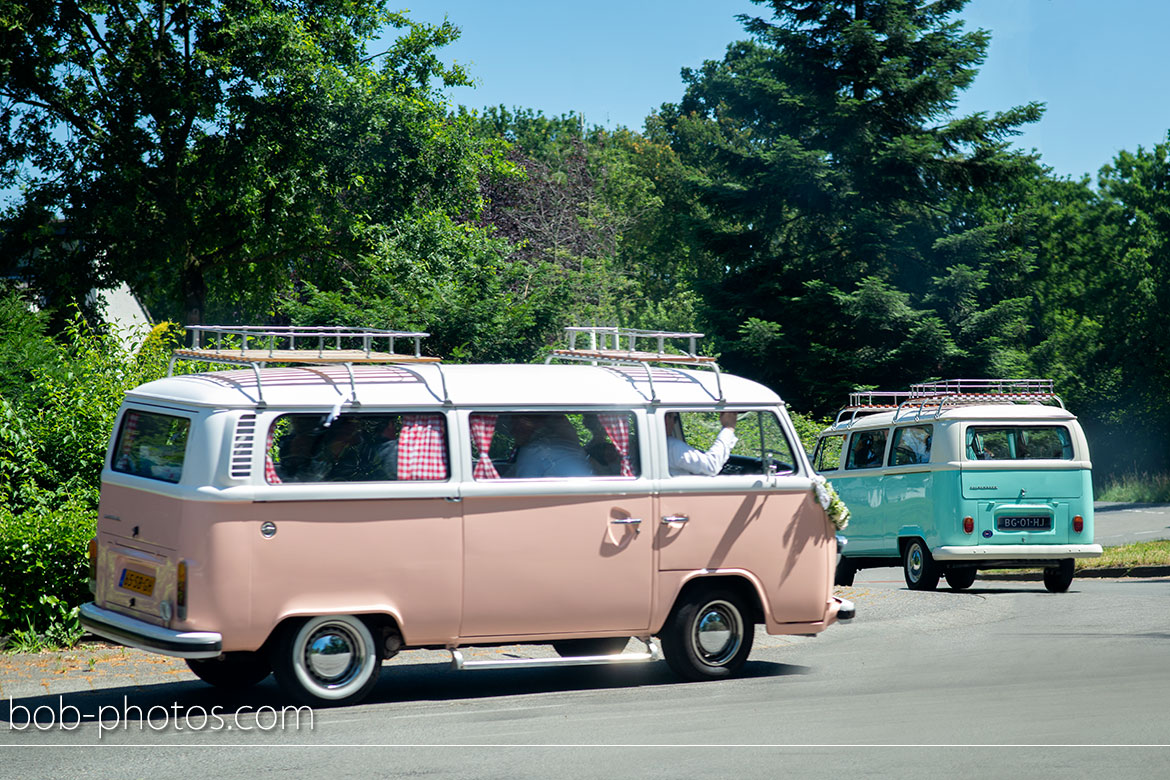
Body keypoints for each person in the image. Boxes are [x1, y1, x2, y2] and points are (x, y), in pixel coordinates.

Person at [510, 414, 594, 478]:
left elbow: (525, 490)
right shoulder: (567, 446)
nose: (512, 432)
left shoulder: (535, 450)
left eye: (517, 425)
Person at [667, 411, 738, 476]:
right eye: (675, 419)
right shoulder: (670, 446)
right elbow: (711, 465)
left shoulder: (665, 446)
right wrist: (728, 428)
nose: (674, 424)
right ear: (666, 420)